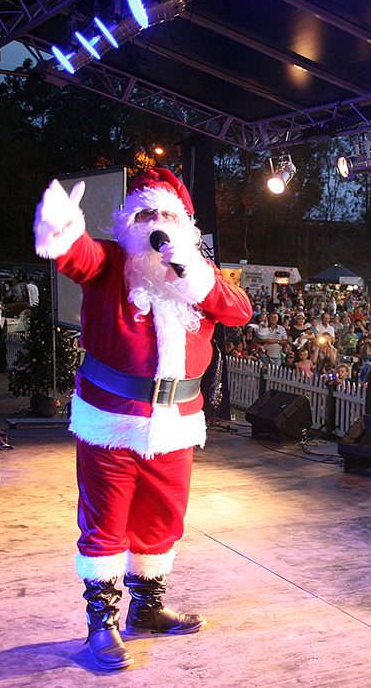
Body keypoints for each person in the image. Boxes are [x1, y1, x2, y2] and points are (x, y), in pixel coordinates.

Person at [34, 169, 252, 670]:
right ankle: (101, 625)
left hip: (176, 425)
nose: (156, 224)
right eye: (146, 214)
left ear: (185, 227)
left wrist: (193, 273)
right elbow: (76, 255)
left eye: (166, 215)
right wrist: (63, 227)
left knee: (161, 521)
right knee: (105, 524)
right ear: (129, 224)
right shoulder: (111, 263)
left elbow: (240, 310)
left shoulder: (199, 277)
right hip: (110, 423)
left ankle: (147, 611)